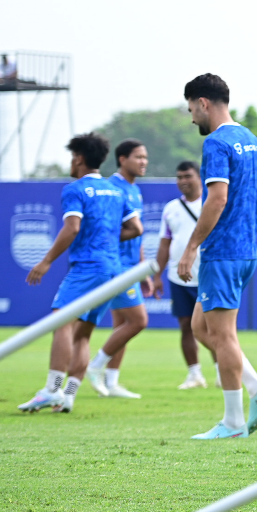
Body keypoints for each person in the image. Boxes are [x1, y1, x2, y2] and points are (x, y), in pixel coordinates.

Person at [177, 73, 257, 439]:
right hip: (245, 250)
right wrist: (243, 215)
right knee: (200, 328)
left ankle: (234, 423)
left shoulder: (217, 144)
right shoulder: (252, 140)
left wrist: (190, 248)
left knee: (222, 336)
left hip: (223, 253)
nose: (192, 118)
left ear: (203, 103)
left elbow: (217, 198)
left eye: (191, 109)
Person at [17, 133, 142, 413]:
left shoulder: (75, 189)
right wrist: (106, 237)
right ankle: (70, 395)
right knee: (83, 334)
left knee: (61, 322)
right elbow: (136, 229)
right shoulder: (116, 190)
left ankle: (52, 389)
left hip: (87, 267)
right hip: (112, 270)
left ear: (79, 158)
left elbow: (72, 227)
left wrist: (46, 261)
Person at [84, 140, 152, 399]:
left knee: (122, 323)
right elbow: (107, 230)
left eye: (145, 157)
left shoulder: (135, 189)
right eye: (138, 157)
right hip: (116, 265)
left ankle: (111, 383)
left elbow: (138, 232)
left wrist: (142, 269)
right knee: (138, 321)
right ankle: (95, 365)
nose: (144, 162)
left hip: (130, 266)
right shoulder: (113, 188)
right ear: (122, 159)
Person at [152, 160, 216, 389]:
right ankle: (194, 374)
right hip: (177, 276)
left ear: (200, 177)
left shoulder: (212, 202)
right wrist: (157, 275)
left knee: (215, 327)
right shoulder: (171, 208)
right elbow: (164, 244)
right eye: (179, 177)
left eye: (188, 176)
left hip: (208, 274)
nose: (183, 181)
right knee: (186, 325)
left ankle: (222, 370)